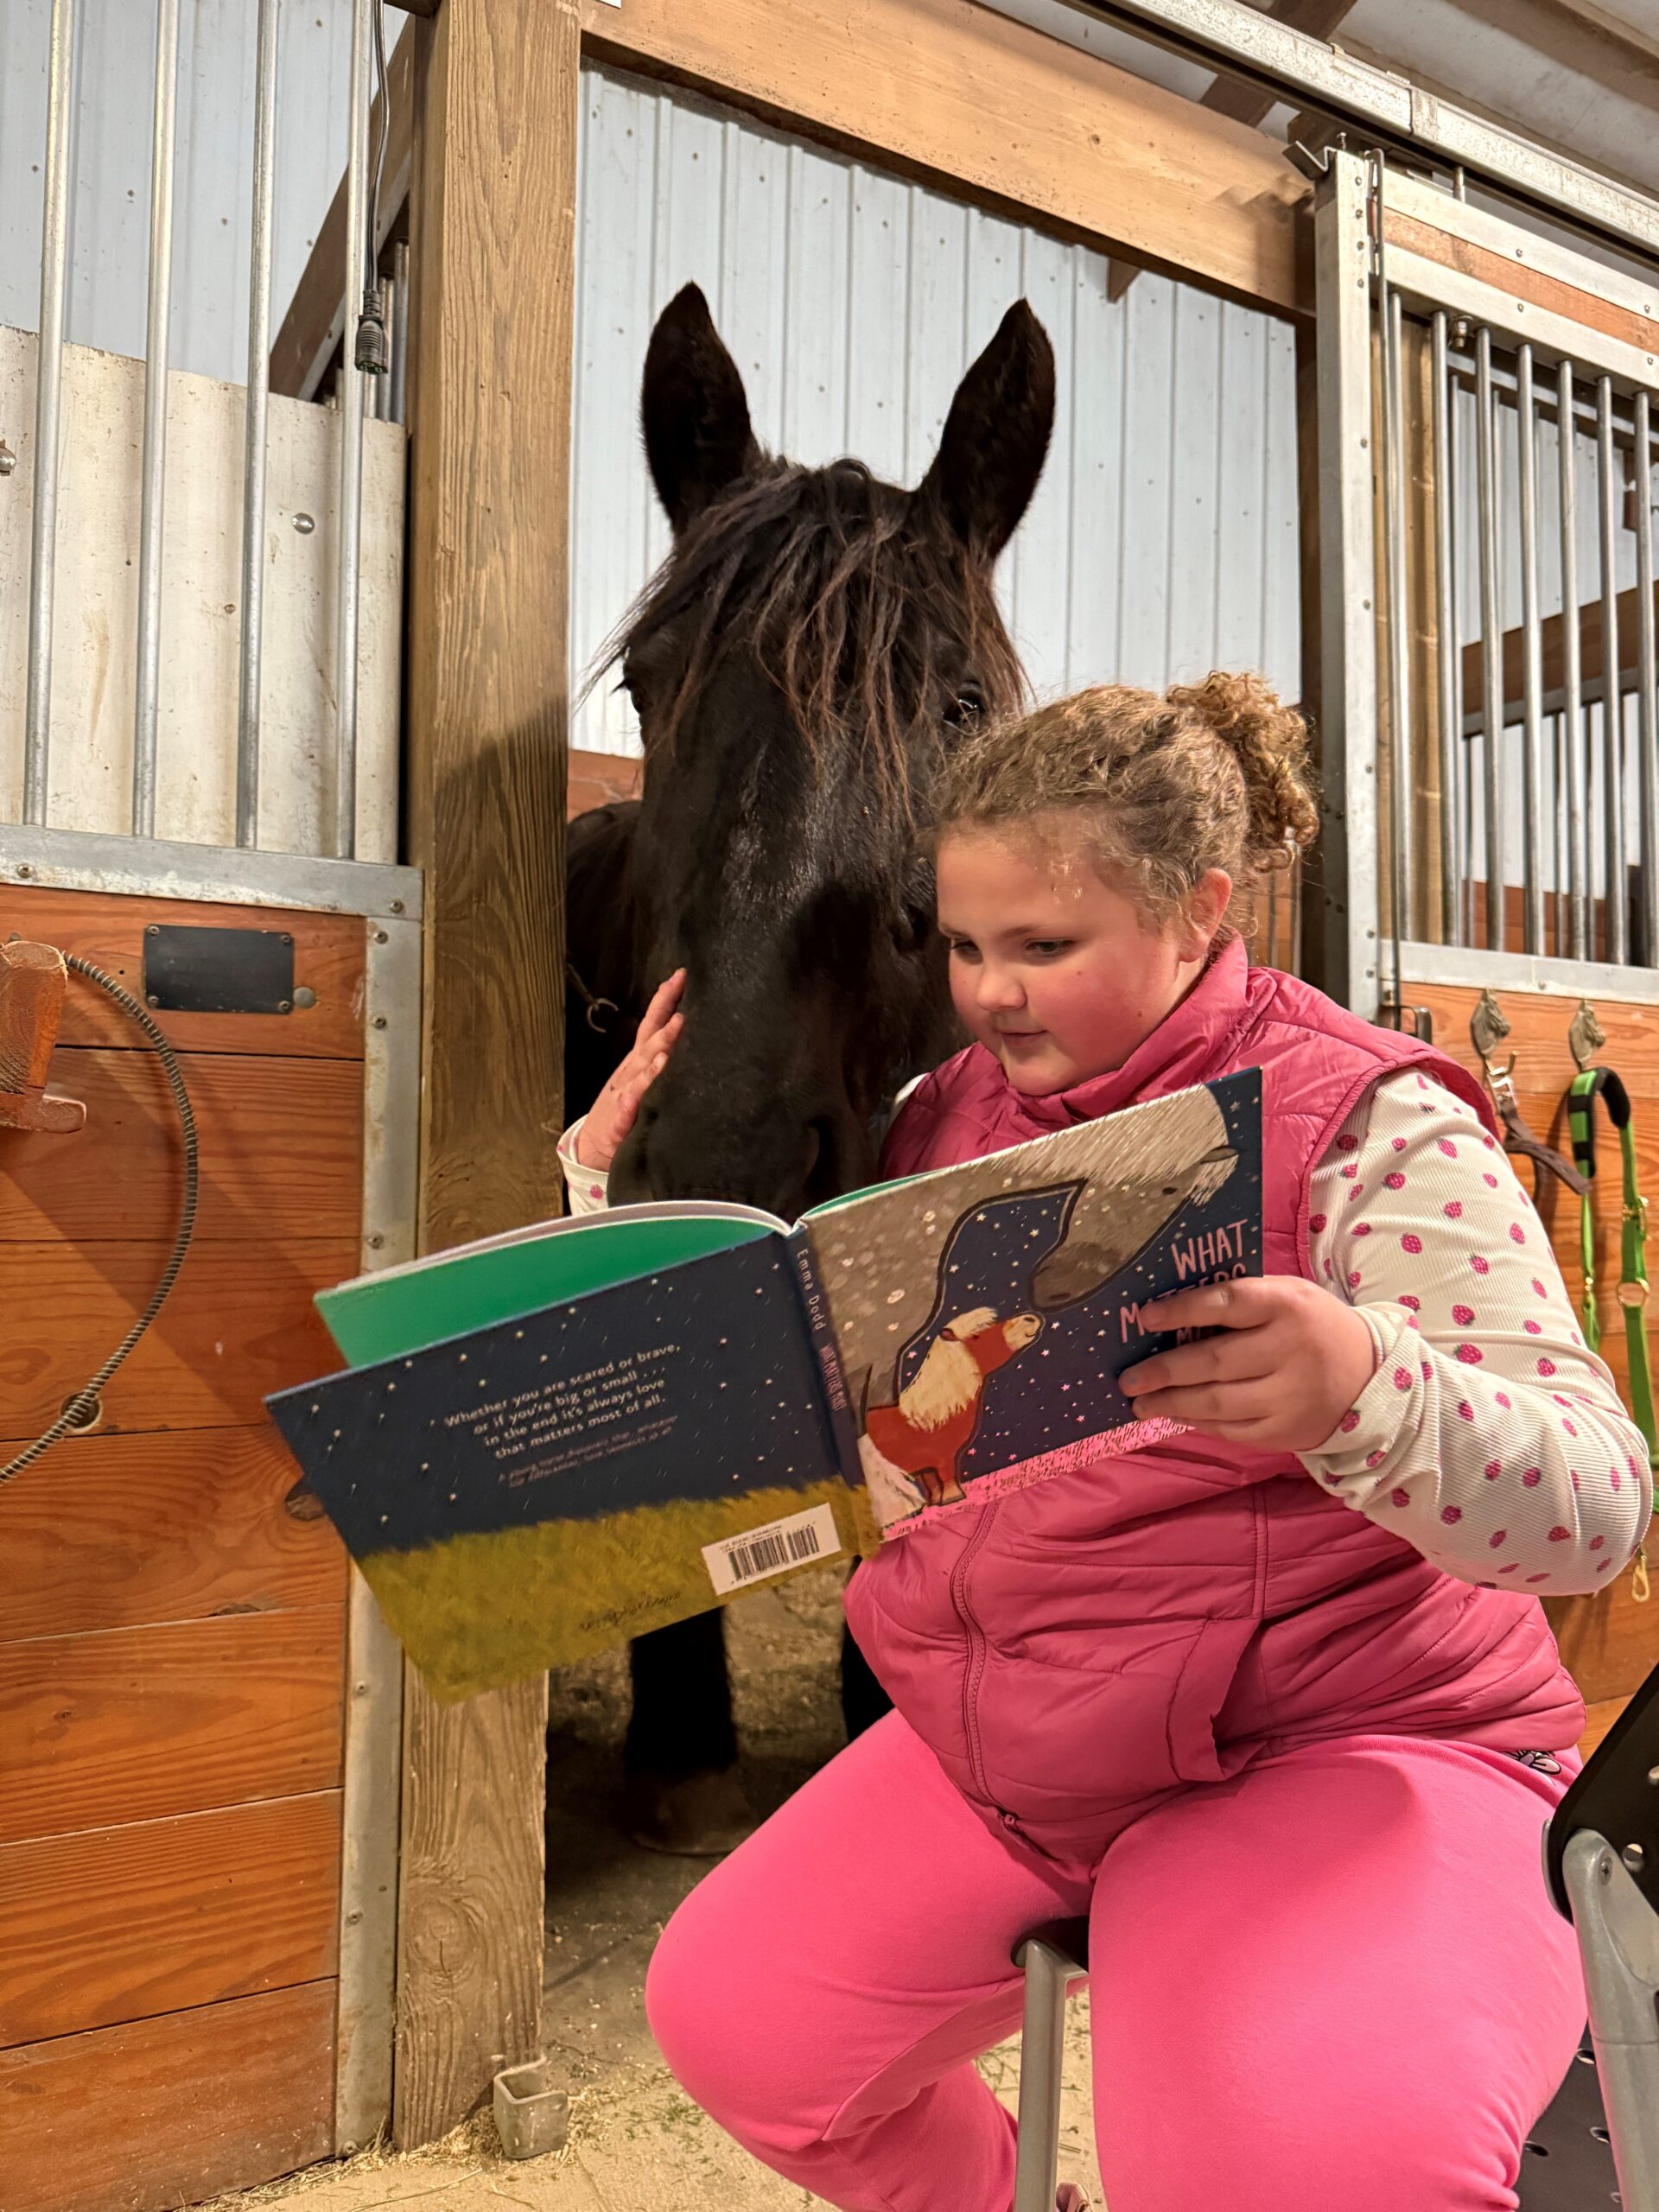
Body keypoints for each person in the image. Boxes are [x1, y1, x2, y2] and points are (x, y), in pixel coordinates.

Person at [558, 672, 1649, 2212]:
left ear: (1201, 911)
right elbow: (772, 1413)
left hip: (1334, 1735)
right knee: (736, 2025)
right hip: (1019, 1736)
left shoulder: (1368, 1124)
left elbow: (1598, 1508)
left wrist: (1367, 1390)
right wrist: (607, 1209)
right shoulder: (940, 1113)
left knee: (1311, 2168)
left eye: (1044, 948)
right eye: (963, 946)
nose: (990, 993)